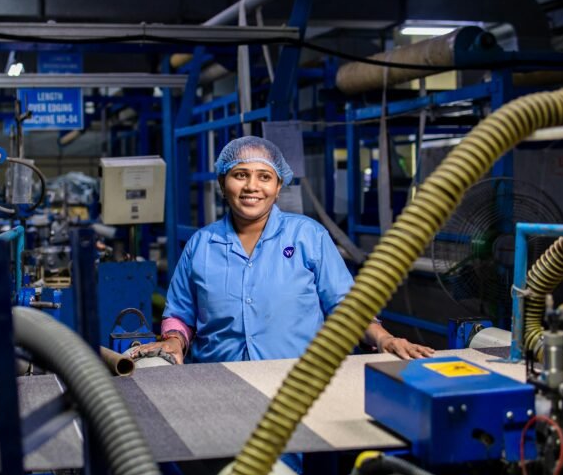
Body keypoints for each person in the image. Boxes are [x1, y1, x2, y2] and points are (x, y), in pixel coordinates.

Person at [133, 136, 435, 365]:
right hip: (219, 379)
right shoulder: (201, 245)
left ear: (279, 186)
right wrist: (174, 340)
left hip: (297, 383)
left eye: (264, 177)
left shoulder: (308, 236)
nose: (252, 186)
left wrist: (384, 339)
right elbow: (179, 314)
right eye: (240, 175)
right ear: (223, 183)